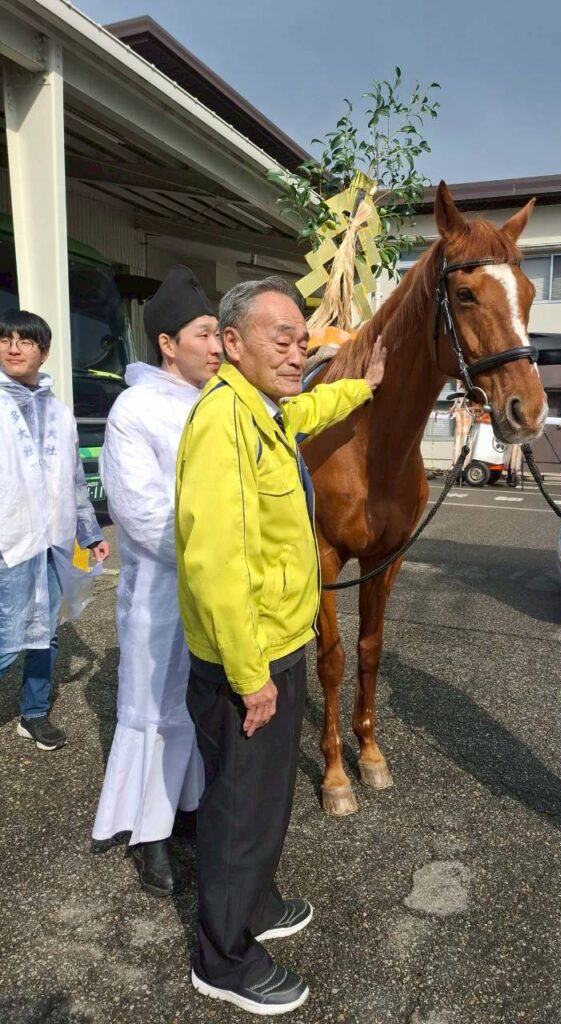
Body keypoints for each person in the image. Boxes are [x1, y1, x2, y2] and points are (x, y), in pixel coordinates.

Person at [175, 277, 386, 1015]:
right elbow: (215, 561)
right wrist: (249, 673)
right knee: (238, 807)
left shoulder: (267, 411)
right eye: (281, 338)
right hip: (248, 661)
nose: (297, 353)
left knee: (266, 800)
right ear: (232, 343)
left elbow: (310, 406)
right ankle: (222, 957)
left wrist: (361, 384)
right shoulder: (222, 422)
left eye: (303, 340)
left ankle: (254, 901)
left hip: (281, 644)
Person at [92, 267, 221, 896]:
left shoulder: (215, 403)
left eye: (220, 333)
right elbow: (140, 517)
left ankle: (186, 803)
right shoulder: (135, 407)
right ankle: (150, 835)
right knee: (153, 707)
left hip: (211, 593)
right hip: (161, 596)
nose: (218, 345)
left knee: (194, 706)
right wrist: (221, 555)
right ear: (167, 344)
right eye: (204, 334)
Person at [0, 309, 108, 750]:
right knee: (7, 636)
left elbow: (74, 480)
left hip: (52, 542)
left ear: (43, 352)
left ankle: (34, 713)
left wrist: (91, 533)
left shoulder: (60, 412)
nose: (12, 347)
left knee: (45, 633)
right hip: (9, 541)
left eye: (24, 341)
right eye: (5, 339)